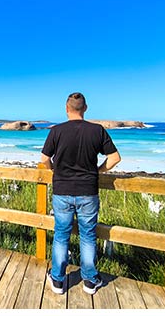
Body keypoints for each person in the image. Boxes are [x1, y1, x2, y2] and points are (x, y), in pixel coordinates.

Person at [40, 92, 121, 294]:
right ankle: (90, 281)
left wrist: (53, 169)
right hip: (88, 192)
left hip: (62, 191)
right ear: (85, 108)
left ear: (66, 109)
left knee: (61, 235)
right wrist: (98, 170)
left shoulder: (57, 131)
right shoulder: (97, 130)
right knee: (88, 236)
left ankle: (58, 280)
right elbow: (115, 158)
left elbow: (44, 158)